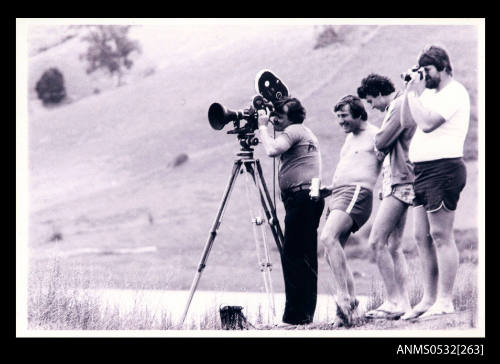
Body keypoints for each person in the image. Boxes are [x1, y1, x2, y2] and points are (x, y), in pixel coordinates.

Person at [400, 45, 470, 320]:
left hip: (445, 168)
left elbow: (428, 124)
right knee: (421, 236)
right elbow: (407, 121)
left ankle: (445, 300)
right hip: (422, 170)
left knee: (441, 235)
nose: (424, 76)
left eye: (427, 70)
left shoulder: (455, 92)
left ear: (442, 67)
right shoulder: (427, 93)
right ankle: (429, 298)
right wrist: (409, 92)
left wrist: (415, 95)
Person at [257, 96, 325, 327]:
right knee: (305, 257)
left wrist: (261, 127)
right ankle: (305, 316)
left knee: (292, 256)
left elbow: (272, 150)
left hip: (301, 198)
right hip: (309, 197)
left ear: (292, 118)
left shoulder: (295, 130)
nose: (276, 119)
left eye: (280, 116)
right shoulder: (305, 131)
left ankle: (293, 318)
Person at [318, 95, 383, 326]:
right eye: (338, 117)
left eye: (344, 116)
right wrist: (330, 188)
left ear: (359, 113)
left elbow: (386, 163)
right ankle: (352, 304)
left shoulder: (375, 135)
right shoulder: (349, 139)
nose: (340, 121)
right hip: (338, 194)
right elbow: (349, 166)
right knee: (330, 251)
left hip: (357, 193)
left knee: (328, 237)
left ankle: (343, 298)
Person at [356, 74, 417, 319]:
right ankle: (403, 302)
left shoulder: (398, 105)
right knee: (394, 245)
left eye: (371, 101)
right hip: (400, 179)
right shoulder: (402, 104)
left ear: (380, 93)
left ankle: (393, 300)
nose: (371, 106)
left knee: (376, 241)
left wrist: (376, 142)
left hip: (401, 181)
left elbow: (381, 141)